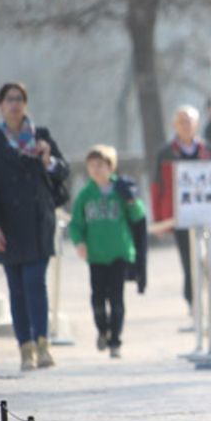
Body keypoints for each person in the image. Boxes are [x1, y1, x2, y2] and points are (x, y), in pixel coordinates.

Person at [0, 82, 69, 371]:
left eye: (19, 99)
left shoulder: (41, 137)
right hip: (8, 225)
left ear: (25, 105)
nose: (14, 104)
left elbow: (63, 171)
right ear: (0, 106)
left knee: (34, 282)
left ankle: (43, 344)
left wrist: (48, 159)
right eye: (9, 99)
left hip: (38, 220)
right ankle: (24, 347)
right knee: (16, 287)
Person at [69, 145, 147, 359]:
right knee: (97, 298)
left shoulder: (121, 190)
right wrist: (79, 243)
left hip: (119, 253)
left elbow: (138, 215)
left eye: (101, 165)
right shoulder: (86, 195)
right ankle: (102, 330)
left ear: (111, 167)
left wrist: (131, 201)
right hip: (95, 255)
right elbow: (76, 224)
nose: (96, 170)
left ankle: (116, 341)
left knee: (117, 298)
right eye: (92, 166)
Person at [151, 105, 211, 310]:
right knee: (189, 261)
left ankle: (209, 304)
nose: (185, 126)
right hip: (179, 215)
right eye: (181, 122)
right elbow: (156, 186)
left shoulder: (208, 151)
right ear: (174, 125)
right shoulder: (165, 153)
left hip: (206, 213)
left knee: (208, 261)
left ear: (196, 124)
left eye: (189, 121)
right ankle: (192, 303)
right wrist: (160, 220)